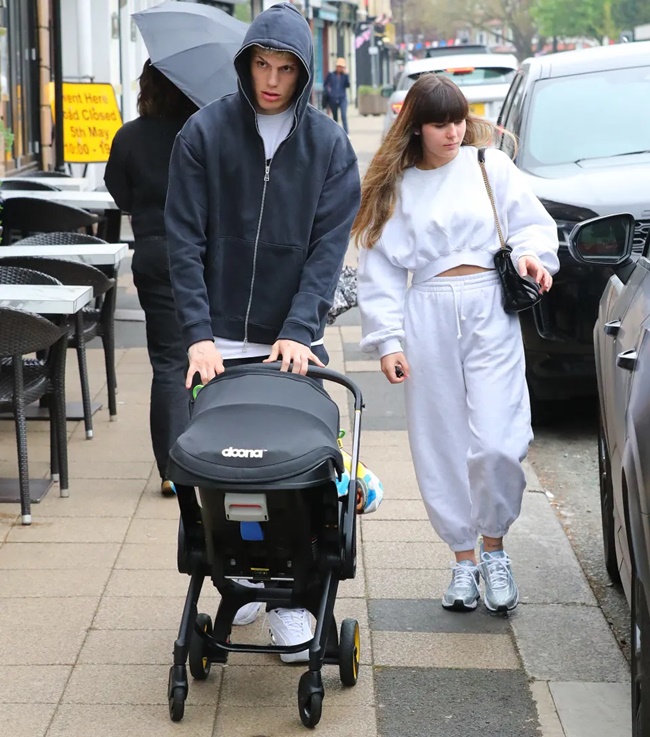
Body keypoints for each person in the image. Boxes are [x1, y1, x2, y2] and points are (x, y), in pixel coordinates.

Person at [164, 3, 360, 660]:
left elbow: (327, 251)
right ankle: (241, 583)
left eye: (284, 69)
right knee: (222, 480)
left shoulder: (329, 147)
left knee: (294, 482)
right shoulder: (204, 133)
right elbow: (183, 240)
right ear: (246, 63)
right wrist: (197, 333)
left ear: (303, 75)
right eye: (261, 64)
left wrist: (301, 329)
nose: (271, 79)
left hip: (289, 343)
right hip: (217, 339)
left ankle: (294, 600)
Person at [353, 74, 560, 613]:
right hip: (427, 310)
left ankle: (495, 548)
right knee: (438, 438)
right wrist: (387, 342)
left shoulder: (490, 166)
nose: (452, 132)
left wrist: (530, 258)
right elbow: (377, 270)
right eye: (440, 123)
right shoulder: (397, 186)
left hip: (489, 303)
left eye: (459, 120)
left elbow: (532, 228)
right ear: (416, 127)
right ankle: (464, 558)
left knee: (498, 438)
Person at [104, 60, 198, 497]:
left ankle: (170, 468)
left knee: (167, 362)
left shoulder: (129, 136)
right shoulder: (203, 132)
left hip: (154, 254)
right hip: (200, 255)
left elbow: (117, 191)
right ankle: (206, 453)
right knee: (207, 354)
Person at [324, 57, 350, 134]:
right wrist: (329, 93)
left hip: (342, 98)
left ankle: (346, 134)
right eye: (339, 66)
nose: (340, 68)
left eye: (342, 67)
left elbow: (348, 85)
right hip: (333, 98)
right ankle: (336, 134)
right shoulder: (331, 74)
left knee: (343, 116)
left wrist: (347, 75)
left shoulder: (344, 76)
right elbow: (325, 84)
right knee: (335, 117)